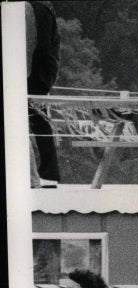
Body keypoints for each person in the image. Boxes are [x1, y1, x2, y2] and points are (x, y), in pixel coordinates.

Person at [27, 1, 61, 185]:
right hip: (36, 69)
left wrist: (29, 70)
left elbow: (42, 45)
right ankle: (48, 172)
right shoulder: (37, 7)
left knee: (38, 119)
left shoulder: (40, 8)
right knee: (37, 119)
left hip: (39, 72)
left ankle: (49, 173)